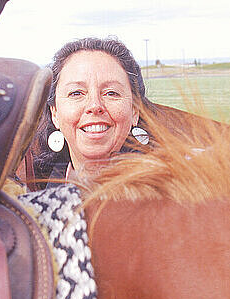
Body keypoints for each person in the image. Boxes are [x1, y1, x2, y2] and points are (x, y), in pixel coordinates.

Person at [32, 37, 155, 187]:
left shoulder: (174, 195)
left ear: (135, 111)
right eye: (76, 93)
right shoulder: (29, 201)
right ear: (55, 113)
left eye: (111, 93)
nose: (95, 105)